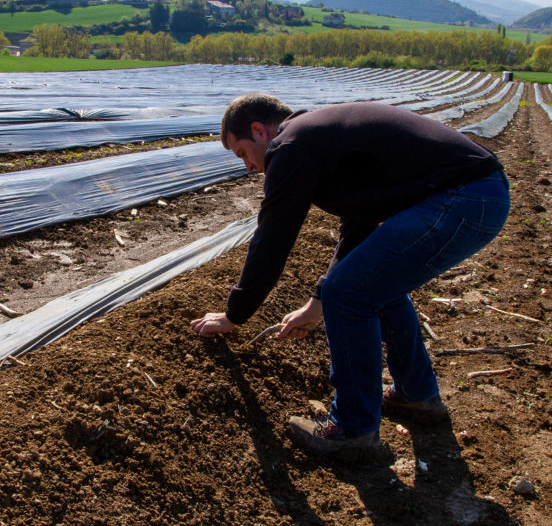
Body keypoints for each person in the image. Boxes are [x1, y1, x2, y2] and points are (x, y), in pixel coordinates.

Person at [191, 93, 510, 458]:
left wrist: (234, 314)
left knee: (349, 293)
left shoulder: (290, 145)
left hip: (464, 197)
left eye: (242, 153)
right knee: (372, 286)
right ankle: (416, 396)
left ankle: (353, 428)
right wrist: (316, 304)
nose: (248, 166)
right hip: (480, 193)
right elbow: (356, 229)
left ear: (259, 130)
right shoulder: (320, 137)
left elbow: (273, 237)